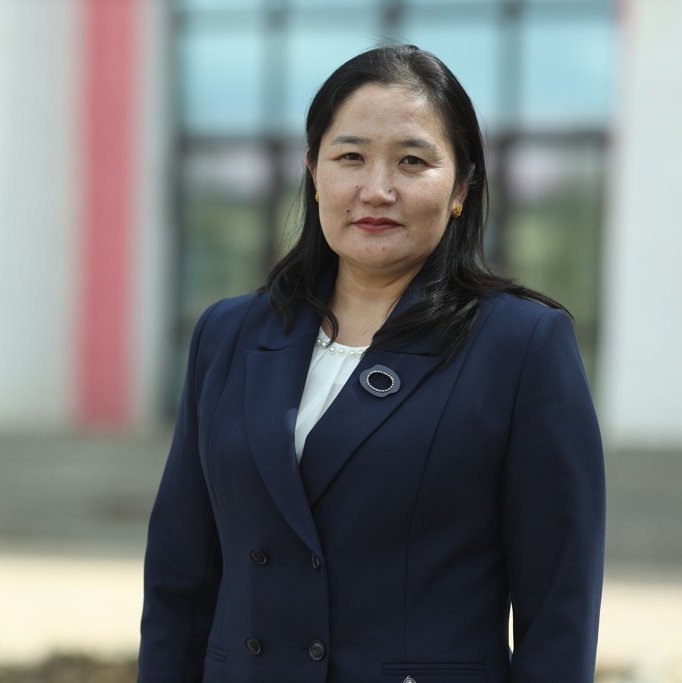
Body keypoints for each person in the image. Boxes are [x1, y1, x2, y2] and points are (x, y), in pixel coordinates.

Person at [138, 44, 604, 683]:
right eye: (350, 157)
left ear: (461, 187)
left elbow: (558, 606)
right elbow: (178, 576)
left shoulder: (522, 345)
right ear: (313, 171)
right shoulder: (228, 334)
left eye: (412, 161)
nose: (376, 190)